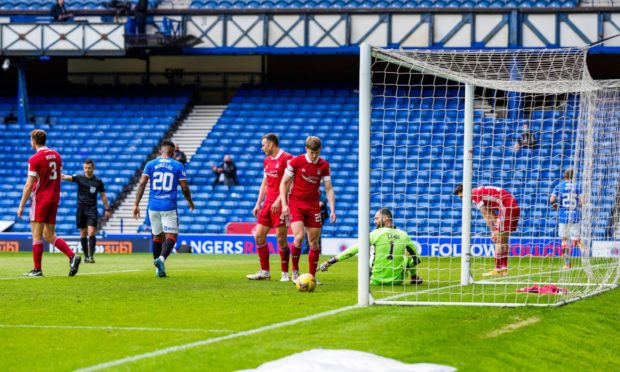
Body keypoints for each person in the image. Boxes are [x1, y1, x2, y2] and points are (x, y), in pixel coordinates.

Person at [17, 129, 81, 277]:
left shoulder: (34, 159)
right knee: (49, 235)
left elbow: (28, 185)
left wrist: (21, 206)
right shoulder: (57, 156)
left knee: (37, 236)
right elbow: (58, 176)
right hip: (54, 199)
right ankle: (72, 256)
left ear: (33, 141)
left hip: (40, 199)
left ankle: (37, 269)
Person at [133, 140, 195, 278]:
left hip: (153, 206)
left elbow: (142, 184)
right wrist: (190, 202)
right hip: (169, 205)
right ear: (173, 153)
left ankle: (157, 269)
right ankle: (161, 260)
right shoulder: (178, 165)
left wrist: (136, 204)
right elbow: (184, 187)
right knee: (172, 236)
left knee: (157, 236)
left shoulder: (150, 164)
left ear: (160, 152)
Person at [280, 136, 336, 282]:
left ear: (320, 150)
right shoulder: (296, 162)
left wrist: (332, 209)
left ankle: (312, 276)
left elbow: (328, 188)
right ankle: (295, 271)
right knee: (298, 237)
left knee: (314, 243)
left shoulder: (323, 165)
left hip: (313, 205)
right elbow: (284, 182)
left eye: (316, 152)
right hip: (296, 203)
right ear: (306, 149)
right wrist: (285, 204)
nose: (314, 155)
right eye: (312, 152)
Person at [319, 208, 422, 285]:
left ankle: (371, 274)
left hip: (376, 281)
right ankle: (414, 277)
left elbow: (352, 251)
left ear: (386, 218)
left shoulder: (375, 234)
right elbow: (417, 259)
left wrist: (330, 261)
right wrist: (407, 267)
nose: (374, 221)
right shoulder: (404, 235)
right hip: (397, 281)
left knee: (371, 254)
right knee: (405, 257)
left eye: (376, 218)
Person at [246, 134, 294, 281]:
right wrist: (258, 203)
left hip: (282, 203)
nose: (262, 148)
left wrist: (279, 201)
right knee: (258, 236)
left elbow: (290, 183)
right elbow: (265, 184)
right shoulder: (266, 161)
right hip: (268, 203)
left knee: (281, 239)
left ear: (271, 144)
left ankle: (285, 273)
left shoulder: (287, 158)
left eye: (263, 145)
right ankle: (264, 271)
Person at [454, 184, 520, 277]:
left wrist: (493, 231)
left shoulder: (474, 195)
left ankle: (497, 269)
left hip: (506, 207)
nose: (463, 199)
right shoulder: (479, 191)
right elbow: (490, 212)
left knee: (499, 240)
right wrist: (495, 229)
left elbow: (485, 214)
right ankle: (503, 270)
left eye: (462, 197)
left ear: (466, 192)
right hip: (512, 206)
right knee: (503, 240)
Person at [61, 159, 111, 263]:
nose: (87, 170)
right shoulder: (79, 178)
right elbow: (65, 177)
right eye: (85, 168)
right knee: (83, 233)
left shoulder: (98, 182)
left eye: (89, 168)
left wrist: (107, 208)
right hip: (81, 209)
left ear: (93, 168)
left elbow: (103, 196)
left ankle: (91, 256)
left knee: (91, 231)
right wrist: (57, 173)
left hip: (92, 209)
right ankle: (86, 256)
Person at [550, 168, 583, 269]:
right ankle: (585, 257)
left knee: (564, 240)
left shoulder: (559, 186)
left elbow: (552, 200)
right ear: (573, 176)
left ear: (565, 176)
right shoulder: (578, 186)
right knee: (577, 241)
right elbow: (583, 201)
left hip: (563, 216)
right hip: (575, 215)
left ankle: (567, 264)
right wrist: (578, 206)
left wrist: (557, 208)